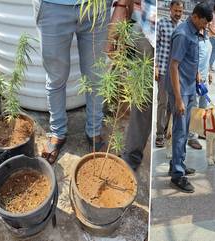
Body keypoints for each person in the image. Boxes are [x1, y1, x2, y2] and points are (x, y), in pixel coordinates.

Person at [33, 0, 112, 163]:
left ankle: (94, 131)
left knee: (95, 77)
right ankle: (57, 132)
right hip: (52, 6)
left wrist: (121, 6)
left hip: (97, 7)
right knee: (56, 77)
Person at [165, 2, 213, 193]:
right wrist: (178, 99)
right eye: (204, 22)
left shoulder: (193, 32)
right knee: (179, 132)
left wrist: (196, 75)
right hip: (180, 91)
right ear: (195, 17)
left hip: (189, 87)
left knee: (184, 130)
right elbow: (173, 66)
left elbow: (188, 60)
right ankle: (177, 175)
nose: (205, 26)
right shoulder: (183, 34)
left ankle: (177, 164)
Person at [106, 0, 156, 171]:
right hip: (143, 23)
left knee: (143, 97)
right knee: (121, 75)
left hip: (153, 30)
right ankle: (109, 116)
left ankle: (131, 156)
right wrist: (120, 11)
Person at [155, 0, 184, 148]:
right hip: (163, 70)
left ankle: (167, 130)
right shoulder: (161, 24)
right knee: (162, 102)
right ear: (170, 9)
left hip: (177, 74)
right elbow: (156, 45)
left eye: (180, 11)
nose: (178, 14)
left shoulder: (184, 27)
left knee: (172, 105)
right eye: (176, 11)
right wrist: (155, 66)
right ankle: (159, 134)